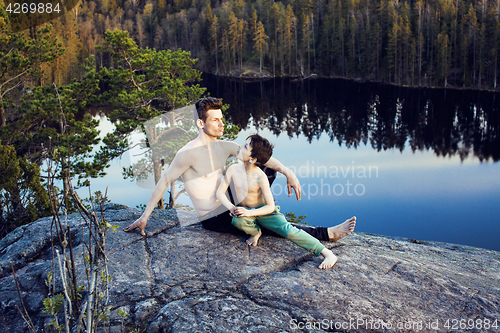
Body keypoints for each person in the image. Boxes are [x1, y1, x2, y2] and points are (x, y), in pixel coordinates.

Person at [124, 97, 356, 242]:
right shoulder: (188, 154)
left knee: (265, 170)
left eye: (221, 119)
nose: (221, 123)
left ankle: (264, 211)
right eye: (215, 120)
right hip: (214, 217)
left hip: (230, 200)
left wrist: (288, 172)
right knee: (266, 223)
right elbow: (163, 182)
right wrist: (144, 217)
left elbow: (258, 157)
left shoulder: (222, 147)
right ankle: (326, 234)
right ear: (200, 123)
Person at [216, 134, 339, 269]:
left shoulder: (260, 177)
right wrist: (231, 207)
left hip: (265, 211)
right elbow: (220, 192)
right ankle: (256, 232)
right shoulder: (233, 169)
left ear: (252, 159)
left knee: (289, 231)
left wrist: (251, 213)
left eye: (245, 146)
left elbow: (270, 206)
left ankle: (327, 253)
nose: (240, 146)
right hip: (246, 210)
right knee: (237, 221)